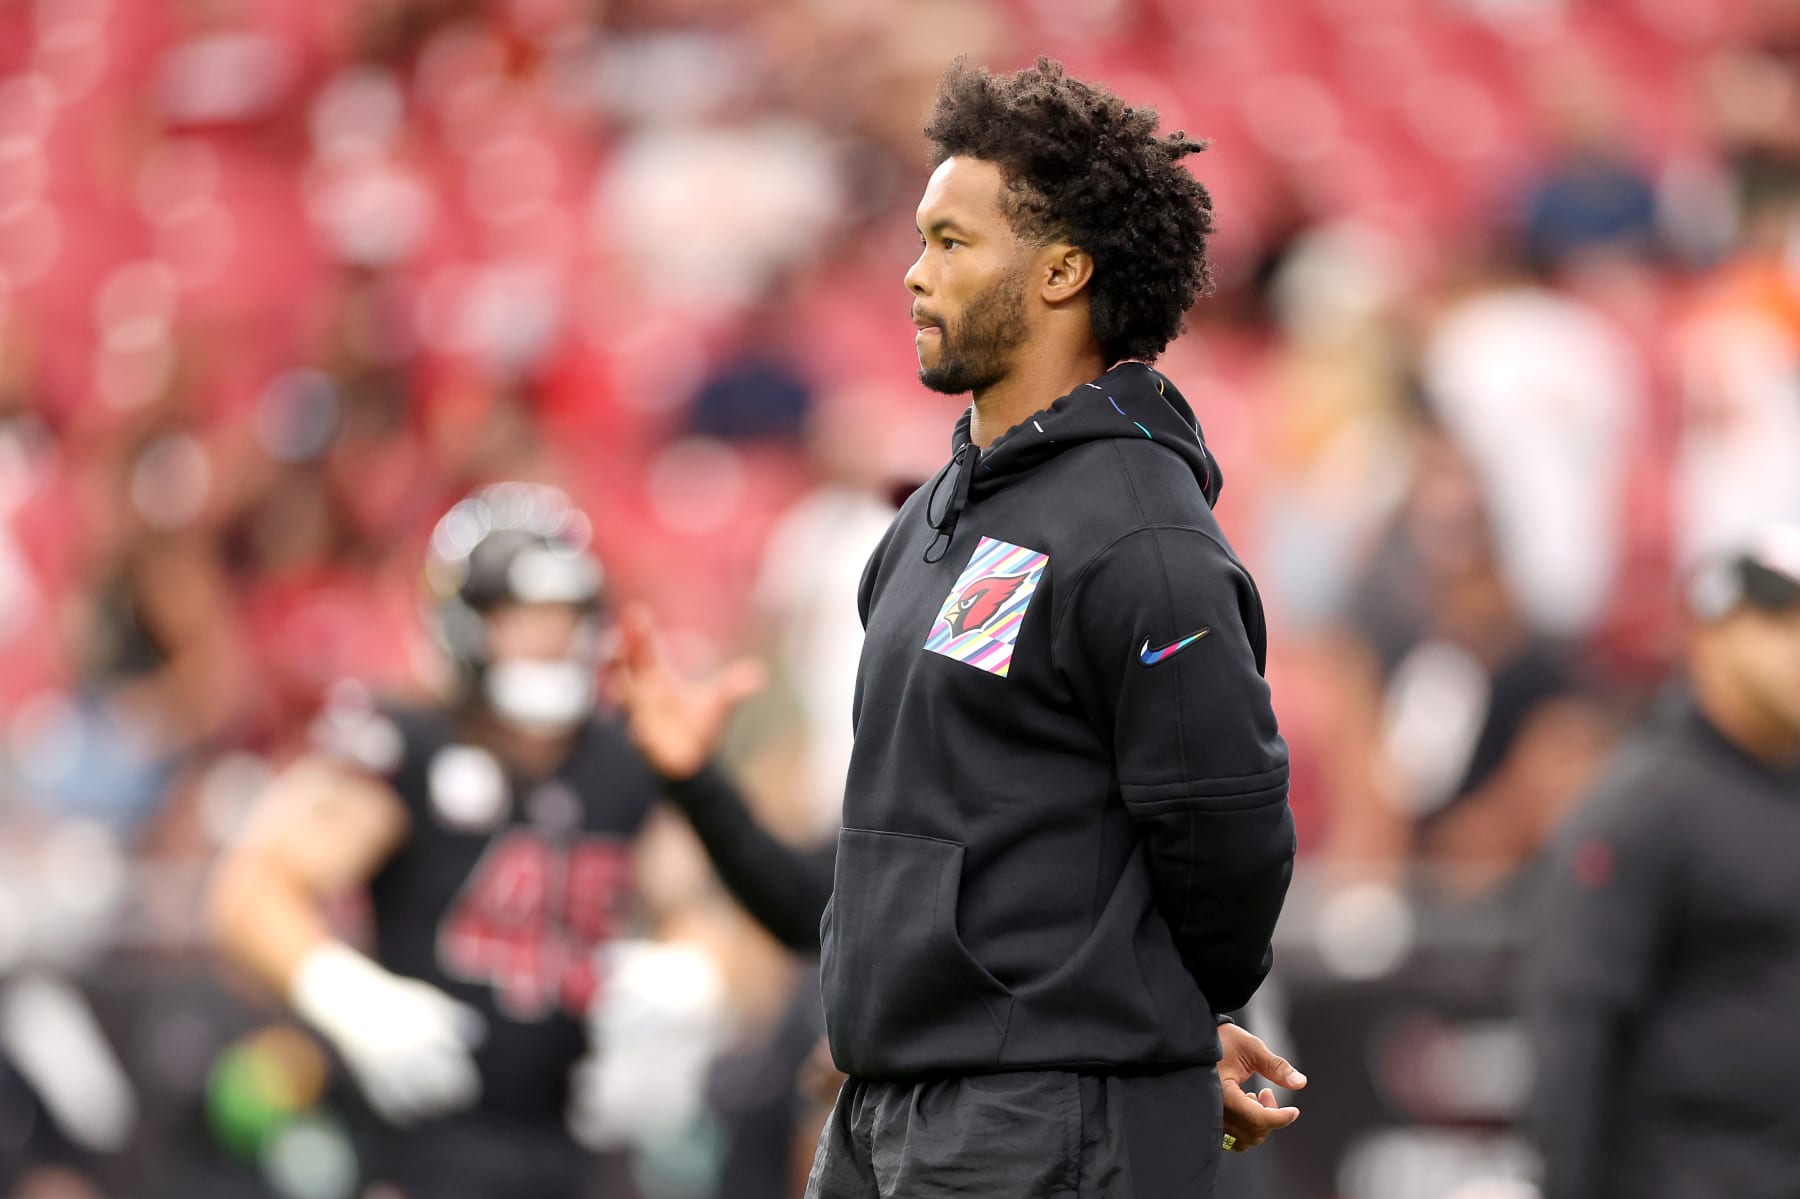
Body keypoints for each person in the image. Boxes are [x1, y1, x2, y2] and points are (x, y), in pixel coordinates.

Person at [621, 57, 1302, 1198]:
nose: (912, 274)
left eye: (949, 242)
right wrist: (702, 787)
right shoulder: (934, 518)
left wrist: (1159, 1029)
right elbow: (882, 871)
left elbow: (1229, 842)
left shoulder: (1144, 542)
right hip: (892, 1110)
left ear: (1062, 270)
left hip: (1043, 1125)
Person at [204, 481, 759, 1199]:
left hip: (580, 1139)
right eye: (516, 617)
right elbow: (250, 889)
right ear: (464, 623)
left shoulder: (623, 760)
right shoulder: (403, 746)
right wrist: (348, 995)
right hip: (427, 1136)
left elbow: (718, 913)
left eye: (560, 617)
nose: (545, 640)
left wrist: (694, 982)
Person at [1526, 525, 1800, 1199]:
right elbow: (1574, 1021)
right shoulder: (1646, 804)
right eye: (1779, 620)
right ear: (1710, 635)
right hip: (1685, 1172)